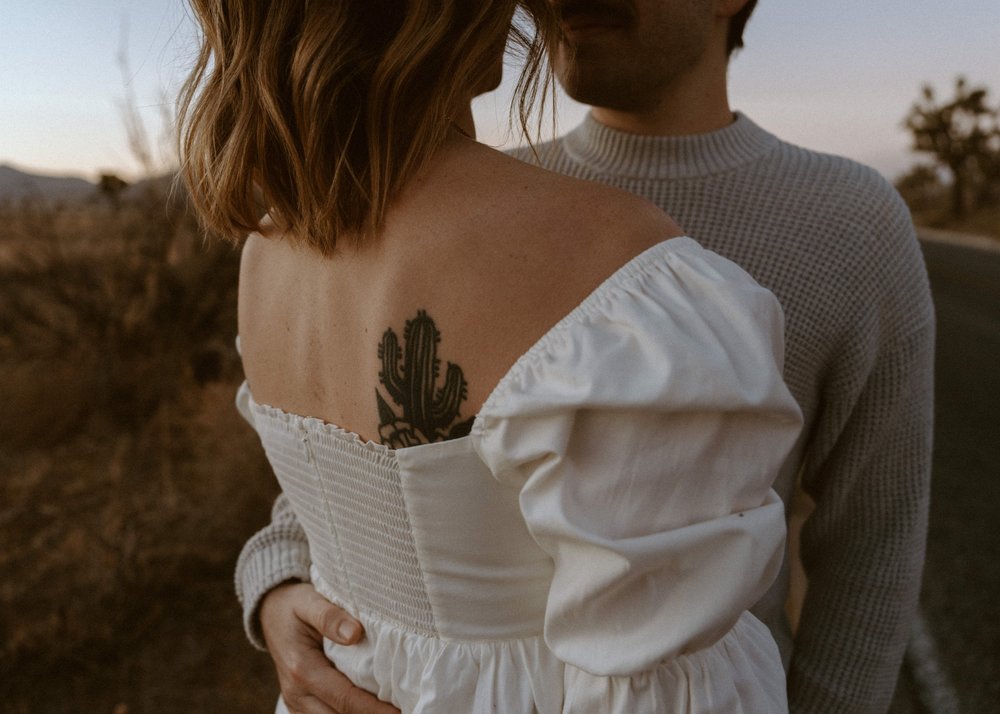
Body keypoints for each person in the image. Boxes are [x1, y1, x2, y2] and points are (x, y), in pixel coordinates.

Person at [234, 0, 936, 712]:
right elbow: (364, 458)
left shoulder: (854, 222)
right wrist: (277, 585)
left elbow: (873, 551)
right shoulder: (473, 202)